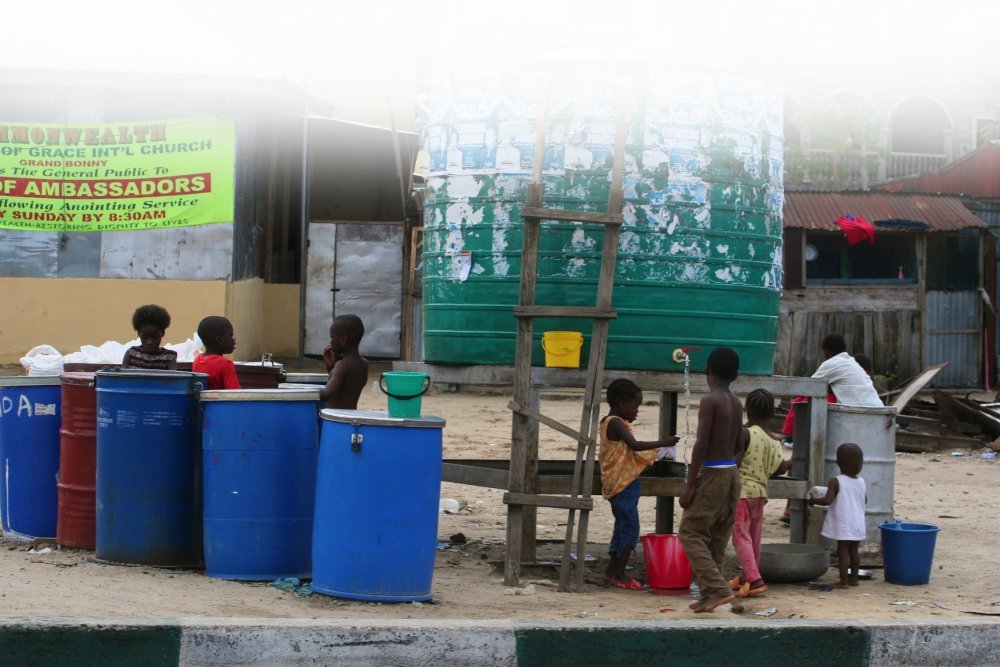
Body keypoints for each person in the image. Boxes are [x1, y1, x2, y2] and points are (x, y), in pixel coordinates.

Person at [678, 347, 744, 613]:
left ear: (707, 370)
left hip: (714, 472)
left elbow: (701, 444)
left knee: (690, 532)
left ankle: (717, 589)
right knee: (716, 537)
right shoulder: (736, 402)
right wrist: (729, 472)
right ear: (736, 376)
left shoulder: (710, 401)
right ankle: (710, 595)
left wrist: (691, 484)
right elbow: (740, 444)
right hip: (731, 472)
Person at [598, 379, 679, 590]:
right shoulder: (615, 422)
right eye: (635, 406)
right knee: (630, 529)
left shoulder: (608, 421)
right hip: (622, 484)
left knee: (622, 527)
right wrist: (664, 443)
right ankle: (618, 574)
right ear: (621, 403)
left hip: (618, 484)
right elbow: (635, 446)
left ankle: (613, 572)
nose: (636, 411)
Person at [729, 388, 791, 598]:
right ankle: (747, 577)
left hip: (742, 493)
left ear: (747, 411)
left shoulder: (745, 433)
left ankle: (755, 580)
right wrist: (793, 460)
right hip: (760, 495)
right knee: (754, 538)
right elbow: (780, 468)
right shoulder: (774, 440)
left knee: (740, 537)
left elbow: (734, 462)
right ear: (772, 414)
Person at [808, 442, 866, 589]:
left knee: (843, 551)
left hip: (844, 522)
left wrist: (813, 501)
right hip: (858, 522)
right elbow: (864, 500)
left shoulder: (836, 480)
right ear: (860, 464)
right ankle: (854, 579)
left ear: (839, 463)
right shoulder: (861, 481)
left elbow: (828, 500)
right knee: (854, 551)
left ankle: (843, 581)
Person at [320, 314, 369, 410]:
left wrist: (305, 391)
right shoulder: (364, 363)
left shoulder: (342, 365)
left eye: (332, 337)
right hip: (349, 418)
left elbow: (326, 394)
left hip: (336, 420)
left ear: (343, 340)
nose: (330, 342)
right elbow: (345, 387)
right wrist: (331, 368)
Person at [121, 304, 178, 370]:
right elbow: (122, 377)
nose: (149, 342)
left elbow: (172, 379)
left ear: (162, 333)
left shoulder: (169, 357)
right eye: (145, 338)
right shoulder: (131, 354)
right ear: (139, 333)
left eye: (154, 337)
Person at [192, 316, 240, 390]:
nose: (234, 338)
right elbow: (235, 395)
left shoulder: (197, 360)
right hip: (220, 402)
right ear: (220, 340)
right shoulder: (226, 364)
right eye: (231, 335)